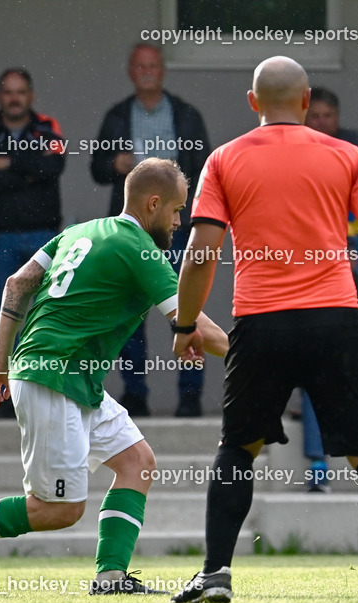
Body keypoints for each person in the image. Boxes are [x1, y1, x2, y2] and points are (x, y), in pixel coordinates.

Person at [169, 56, 358, 603]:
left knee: (237, 451)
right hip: (336, 322)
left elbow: (199, 257)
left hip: (260, 325)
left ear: (252, 102)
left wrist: (187, 323)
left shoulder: (223, 160)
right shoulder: (345, 155)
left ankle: (215, 574)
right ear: (308, 100)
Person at [0, 159, 229, 594]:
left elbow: (17, 284)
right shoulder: (140, 248)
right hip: (52, 379)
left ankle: (110, 579)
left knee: (137, 463)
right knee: (58, 509)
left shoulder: (81, 231)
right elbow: (195, 325)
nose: (178, 220)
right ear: (153, 204)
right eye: (175, 210)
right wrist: (257, 357)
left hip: (72, 378)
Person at [91, 42, 210, 417]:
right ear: (131, 71)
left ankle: (190, 396)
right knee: (130, 314)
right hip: (132, 232)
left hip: (176, 227)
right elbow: (95, 168)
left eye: (153, 66)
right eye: (140, 66)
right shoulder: (116, 116)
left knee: (186, 310)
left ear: (162, 71)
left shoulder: (186, 115)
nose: (146, 72)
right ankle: (136, 393)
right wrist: (115, 164)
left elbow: (205, 168)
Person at [0, 68, 67, 418]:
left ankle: (42, 398)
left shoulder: (48, 126)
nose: (15, 98)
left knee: (45, 318)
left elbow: (54, 166)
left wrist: (6, 164)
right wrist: (28, 169)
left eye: (21, 92)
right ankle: (5, 399)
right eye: (9, 92)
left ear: (31, 95)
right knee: (3, 317)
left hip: (44, 238)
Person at [303, 239, 358, 493]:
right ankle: (318, 467)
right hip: (324, 371)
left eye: (349, 257)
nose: (344, 263)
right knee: (312, 382)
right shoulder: (312, 293)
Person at [305, 86, 358, 166]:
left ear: (337, 116)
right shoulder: (297, 142)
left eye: (327, 115)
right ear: (304, 118)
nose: (322, 122)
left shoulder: (353, 139)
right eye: (315, 116)